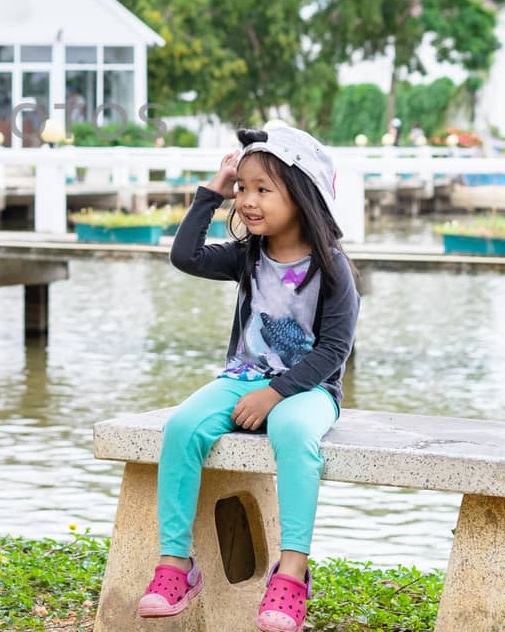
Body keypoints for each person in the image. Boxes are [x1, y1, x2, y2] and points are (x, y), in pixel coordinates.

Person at [137, 126, 359, 631]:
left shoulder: (333, 269)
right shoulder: (248, 256)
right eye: (243, 188)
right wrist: (212, 191)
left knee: (294, 433)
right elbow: (185, 256)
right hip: (242, 378)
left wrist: (275, 394)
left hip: (309, 388)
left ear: (302, 196)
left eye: (263, 190)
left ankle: (291, 572)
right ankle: (175, 565)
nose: (248, 201)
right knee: (182, 426)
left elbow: (333, 350)